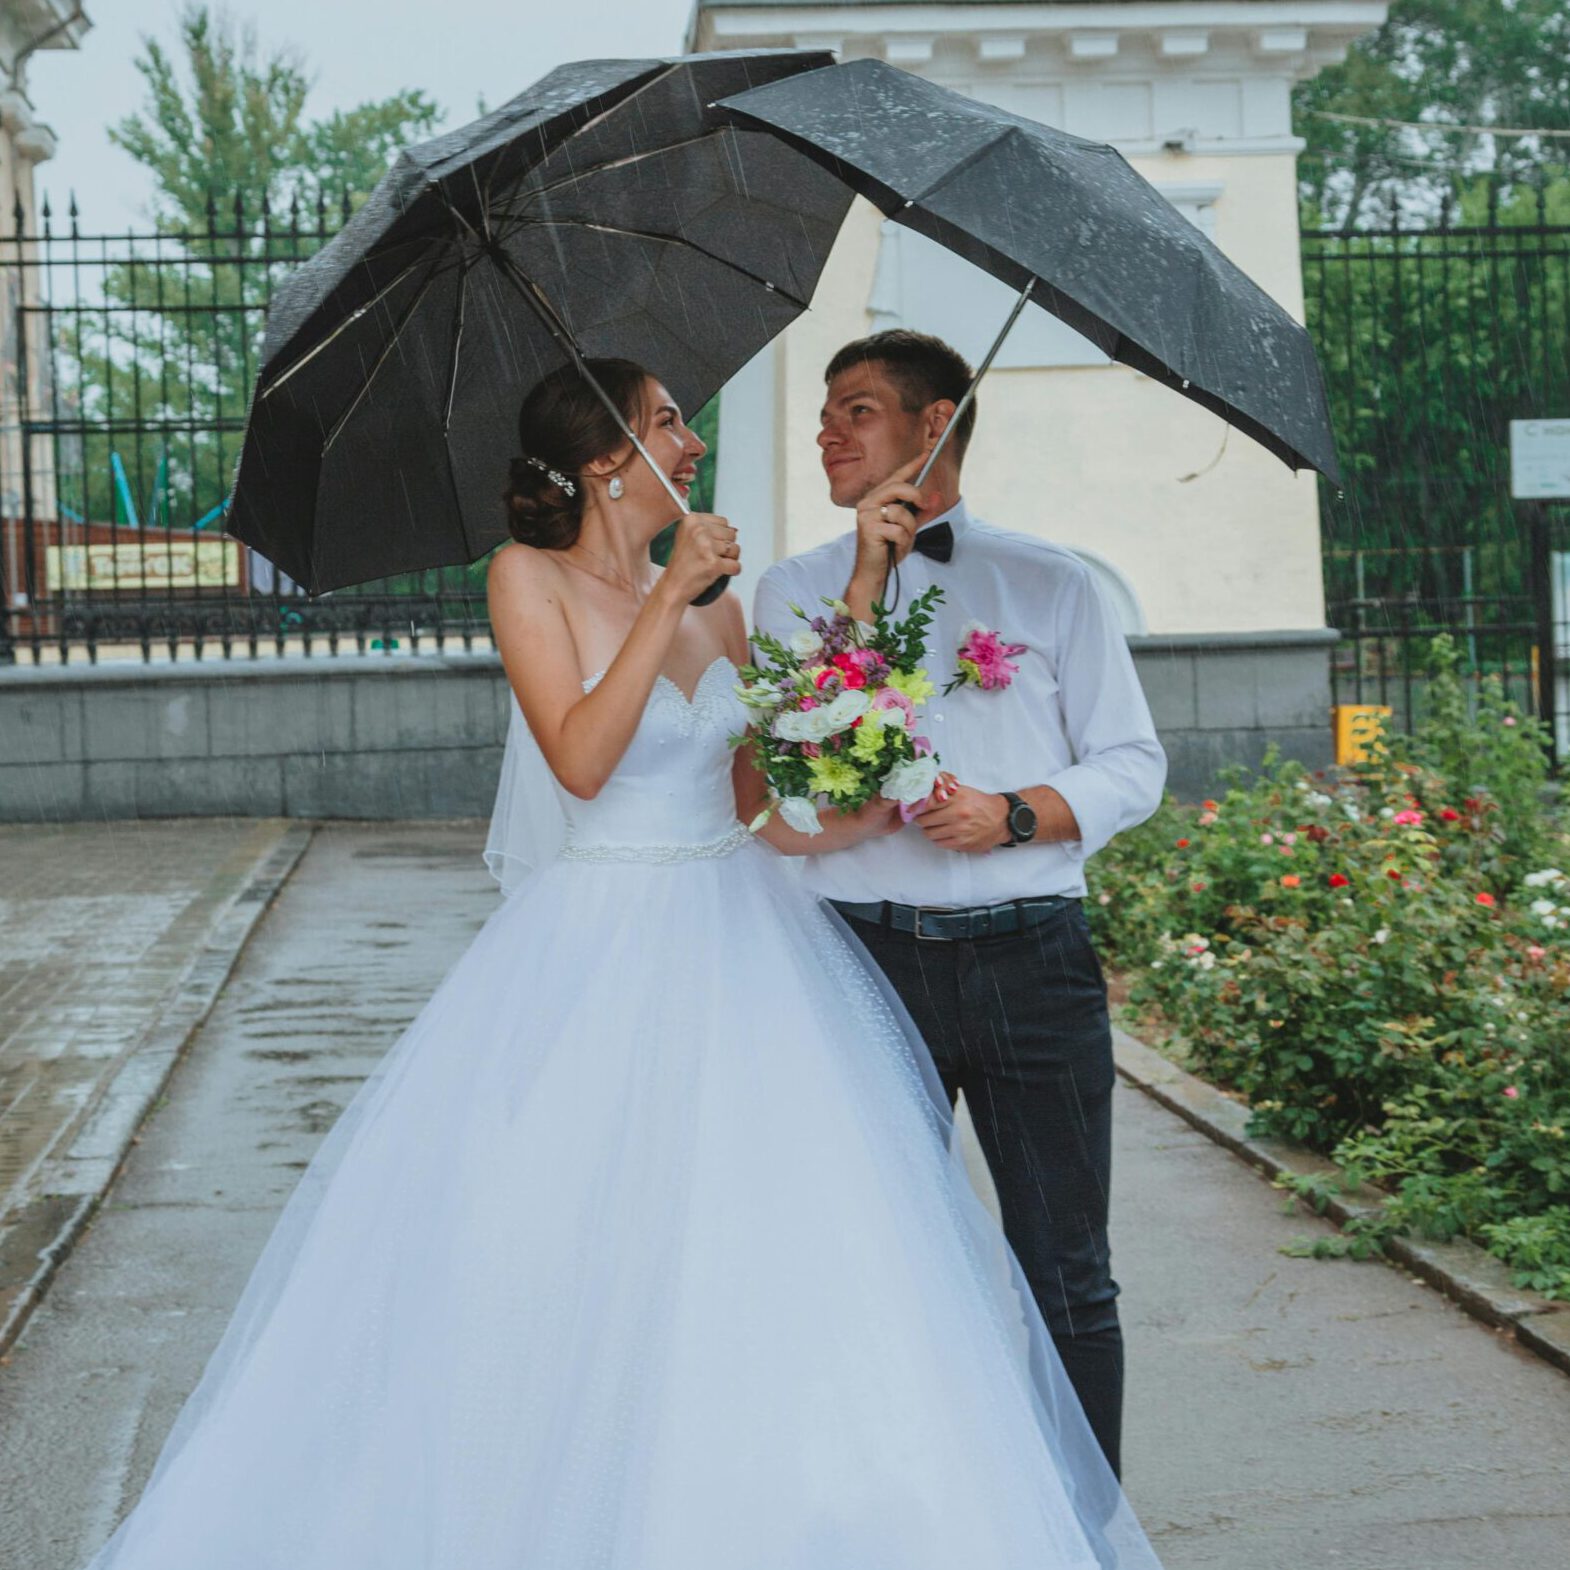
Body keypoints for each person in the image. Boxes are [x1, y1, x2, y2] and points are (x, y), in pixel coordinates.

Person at [78, 358, 1162, 1570]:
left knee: (784, 1258)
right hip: (604, 952)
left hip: (752, 940)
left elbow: (765, 803)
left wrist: (868, 794)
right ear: (608, 461)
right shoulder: (523, 578)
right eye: (665, 424)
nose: (690, 443)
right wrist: (664, 600)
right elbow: (582, 761)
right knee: (584, 1254)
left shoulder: (727, 609)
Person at [753, 330, 1168, 1479]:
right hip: (861, 964)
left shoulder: (1053, 583)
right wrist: (865, 587)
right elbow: (787, 785)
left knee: (1064, 1267)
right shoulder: (790, 596)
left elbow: (1134, 762)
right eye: (826, 411)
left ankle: (1086, 1532)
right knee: (872, 1259)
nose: (827, 429)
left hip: (1032, 962)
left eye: (858, 409)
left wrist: (1017, 812)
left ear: (935, 425)